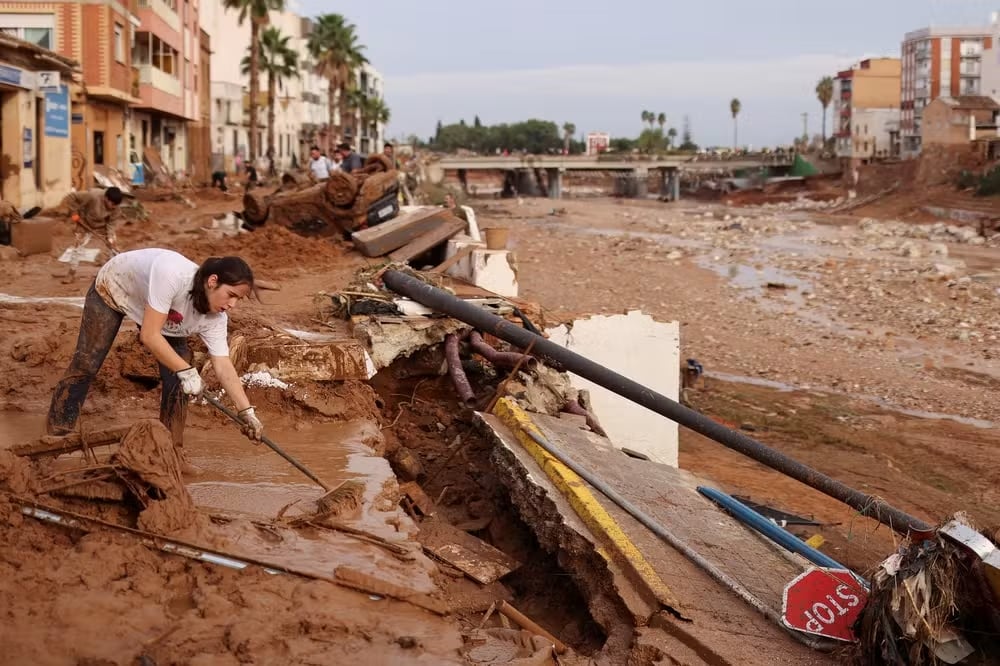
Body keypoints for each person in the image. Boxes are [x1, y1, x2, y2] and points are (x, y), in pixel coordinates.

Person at [46, 249, 264, 472]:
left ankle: (171, 453)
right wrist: (187, 371)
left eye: (238, 299)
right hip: (115, 287)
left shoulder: (216, 318)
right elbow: (149, 336)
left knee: (178, 380)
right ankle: (56, 437)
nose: (232, 305)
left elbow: (223, 365)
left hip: (160, 312)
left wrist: (246, 412)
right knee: (87, 363)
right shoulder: (172, 275)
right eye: (231, 295)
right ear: (212, 281)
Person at [59, 186, 124, 281]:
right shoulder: (92, 196)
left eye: (116, 205)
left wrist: (109, 238)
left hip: (102, 226)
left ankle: (111, 273)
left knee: (113, 247)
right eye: (112, 204)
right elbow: (71, 197)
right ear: (106, 198)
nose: (114, 207)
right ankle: (71, 273)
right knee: (77, 247)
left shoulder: (116, 209)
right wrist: (74, 213)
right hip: (84, 223)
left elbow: (111, 224)